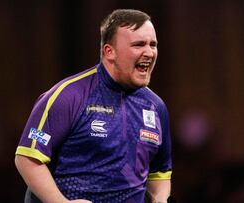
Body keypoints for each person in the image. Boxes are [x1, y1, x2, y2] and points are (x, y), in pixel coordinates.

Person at [15, 9, 172, 203]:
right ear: (109, 51)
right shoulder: (68, 96)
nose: (149, 52)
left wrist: (161, 198)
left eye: (153, 45)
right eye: (138, 44)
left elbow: (160, 172)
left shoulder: (156, 107)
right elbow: (28, 158)